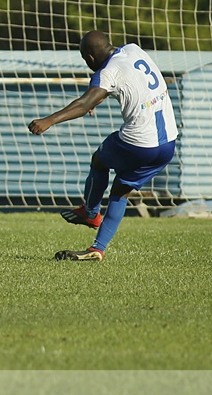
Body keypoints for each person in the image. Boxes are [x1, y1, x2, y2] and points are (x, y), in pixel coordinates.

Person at [29, 31, 178, 261]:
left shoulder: (107, 72)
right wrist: (96, 98)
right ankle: (97, 248)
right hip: (167, 144)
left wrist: (48, 120)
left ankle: (90, 213)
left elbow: (84, 102)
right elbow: (131, 83)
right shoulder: (133, 49)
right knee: (120, 191)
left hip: (138, 141)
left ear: (89, 58)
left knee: (98, 162)